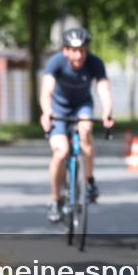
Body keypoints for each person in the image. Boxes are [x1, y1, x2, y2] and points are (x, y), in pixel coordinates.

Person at [39, 27, 115, 223]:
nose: (79, 54)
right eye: (74, 50)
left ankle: (89, 181)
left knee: (86, 130)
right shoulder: (56, 62)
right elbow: (47, 90)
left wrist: (107, 111)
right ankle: (56, 199)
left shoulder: (94, 63)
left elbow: (103, 87)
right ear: (65, 50)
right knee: (61, 151)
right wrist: (47, 112)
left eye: (83, 50)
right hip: (59, 109)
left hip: (82, 106)